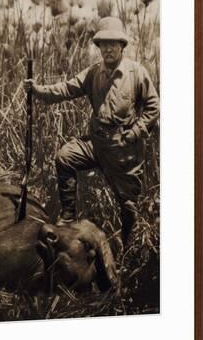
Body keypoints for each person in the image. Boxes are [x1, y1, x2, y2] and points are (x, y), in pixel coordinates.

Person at [23, 16, 160, 249]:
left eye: (112, 43)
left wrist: (136, 132)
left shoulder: (136, 73)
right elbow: (66, 88)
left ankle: (128, 250)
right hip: (95, 144)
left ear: (121, 46)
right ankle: (67, 216)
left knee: (128, 205)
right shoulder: (93, 73)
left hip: (123, 149)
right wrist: (37, 90)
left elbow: (153, 106)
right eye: (103, 44)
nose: (107, 48)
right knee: (65, 157)